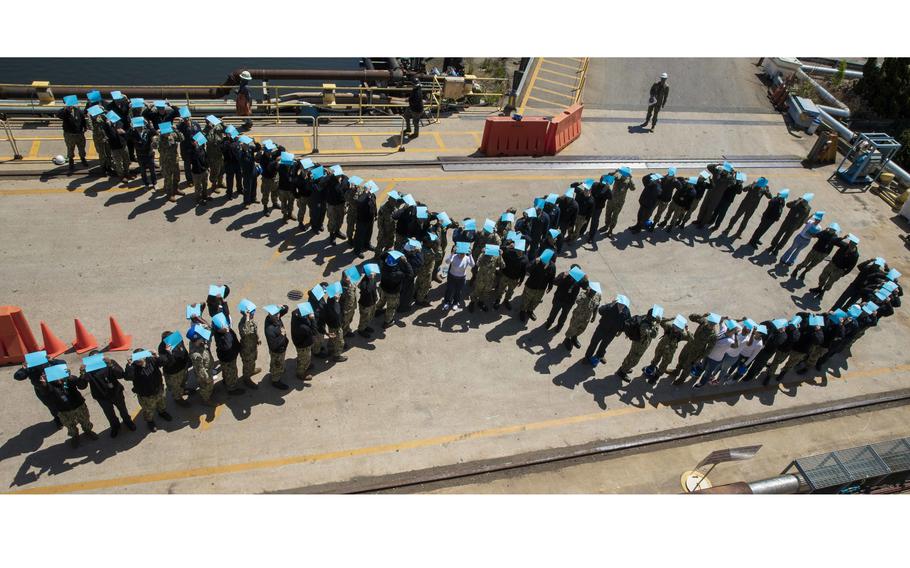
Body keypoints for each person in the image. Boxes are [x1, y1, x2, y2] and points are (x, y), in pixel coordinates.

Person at [78, 352, 135, 438]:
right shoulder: (89, 370)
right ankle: (115, 426)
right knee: (109, 414)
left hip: (116, 393)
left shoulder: (109, 363)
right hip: (102, 397)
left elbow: (120, 375)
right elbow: (82, 386)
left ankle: (128, 422)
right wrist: (82, 374)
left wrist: (111, 365)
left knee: (123, 410)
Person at [43, 365, 98, 447]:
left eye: (59, 375)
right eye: (55, 377)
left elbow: (82, 386)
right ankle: (75, 436)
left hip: (78, 406)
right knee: (70, 425)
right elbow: (45, 393)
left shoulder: (69, 380)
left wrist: (81, 375)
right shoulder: (49, 386)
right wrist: (43, 385)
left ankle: (88, 431)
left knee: (85, 420)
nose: (58, 379)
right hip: (64, 410)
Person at [124, 349, 173, 432]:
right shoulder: (133, 367)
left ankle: (162, 412)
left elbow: (165, 362)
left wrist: (156, 355)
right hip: (146, 395)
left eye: (141, 358)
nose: (139, 361)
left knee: (162, 403)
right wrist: (129, 365)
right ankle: (150, 421)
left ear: (144, 357)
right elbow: (128, 377)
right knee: (148, 410)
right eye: (137, 360)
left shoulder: (151, 360)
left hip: (158, 389)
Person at [667, 313, 720, 384]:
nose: (709, 324)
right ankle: (676, 372)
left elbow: (709, 349)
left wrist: (700, 358)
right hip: (689, 345)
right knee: (681, 358)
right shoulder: (704, 322)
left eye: (711, 323)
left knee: (688, 366)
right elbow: (691, 317)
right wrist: (701, 315)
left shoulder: (713, 335)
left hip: (696, 352)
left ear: (715, 324)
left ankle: (681, 379)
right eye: (709, 321)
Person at [14, 351, 63, 429]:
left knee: (62, 403)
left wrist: (53, 360)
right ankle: (58, 419)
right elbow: (17, 376)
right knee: (52, 407)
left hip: (55, 387)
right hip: (43, 392)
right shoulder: (30, 368)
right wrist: (24, 369)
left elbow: (62, 363)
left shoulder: (48, 362)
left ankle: (66, 416)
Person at [616, 305, 662, 381]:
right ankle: (622, 372)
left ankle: (624, 368)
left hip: (638, 343)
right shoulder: (645, 326)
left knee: (631, 356)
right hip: (639, 346)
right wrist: (657, 324)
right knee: (634, 360)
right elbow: (653, 335)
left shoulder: (646, 318)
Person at [584, 294, 632, 366]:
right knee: (594, 343)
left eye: (623, 305)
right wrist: (610, 306)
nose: (621, 306)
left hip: (612, 332)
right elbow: (600, 311)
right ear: (618, 302)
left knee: (604, 345)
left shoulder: (626, 311)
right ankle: (587, 357)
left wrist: (621, 331)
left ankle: (599, 355)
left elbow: (627, 322)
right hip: (602, 328)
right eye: (620, 304)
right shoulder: (611, 306)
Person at [809, 234, 860, 300]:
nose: (850, 245)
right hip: (832, 264)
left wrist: (844, 273)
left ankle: (823, 292)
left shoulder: (855, 255)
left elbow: (852, 266)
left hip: (840, 269)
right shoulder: (844, 245)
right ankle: (819, 288)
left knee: (830, 282)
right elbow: (834, 241)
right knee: (823, 276)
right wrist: (842, 238)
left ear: (855, 245)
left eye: (852, 244)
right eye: (850, 243)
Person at [644, 314, 692, 382]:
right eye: (675, 326)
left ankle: (657, 376)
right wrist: (671, 318)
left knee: (664, 364)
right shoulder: (669, 327)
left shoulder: (681, 335)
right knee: (656, 358)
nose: (675, 329)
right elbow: (662, 322)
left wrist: (687, 329)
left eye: (678, 328)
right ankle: (652, 366)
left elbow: (691, 339)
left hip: (669, 353)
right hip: (661, 347)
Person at [693, 321, 738, 387]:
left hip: (715, 359)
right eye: (729, 328)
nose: (728, 330)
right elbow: (721, 322)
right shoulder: (724, 330)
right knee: (702, 367)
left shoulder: (730, 340)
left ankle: (701, 383)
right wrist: (724, 319)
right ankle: (697, 375)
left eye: (731, 329)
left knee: (707, 372)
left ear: (733, 331)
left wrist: (736, 336)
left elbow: (736, 346)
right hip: (708, 354)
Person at [376, 251, 414, 327]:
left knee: (382, 300)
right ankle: (388, 322)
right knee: (391, 307)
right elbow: (410, 274)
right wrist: (406, 262)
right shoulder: (397, 274)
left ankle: (377, 310)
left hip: (383, 288)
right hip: (393, 293)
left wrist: (388, 253)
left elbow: (382, 256)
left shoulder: (383, 266)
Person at [562, 281, 602, 351]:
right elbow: (577, 301)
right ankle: (567, 339)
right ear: (590, 289)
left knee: (581, 329)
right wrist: (587, 294)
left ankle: (574, 337)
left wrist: (594, 316)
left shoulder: (598, 296)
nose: (594, 292)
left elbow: (596, 306)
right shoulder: (583, 294)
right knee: (572, 328)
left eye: (595, 291)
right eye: (592, 291)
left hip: (586, 318)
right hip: (577, 316)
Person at [545, 265, 586, 332]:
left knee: (564, 315)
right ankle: (549, 322)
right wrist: (563, 277)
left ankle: (559, 326)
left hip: (569, 302)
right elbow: (555, 282)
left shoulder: (579, 279)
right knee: (553, 312)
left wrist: (586, 279)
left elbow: (585, 287)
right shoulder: (564, 274)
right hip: (559, 298)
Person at [519, 249, 557, 322]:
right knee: (526, 300)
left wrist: (550, 286)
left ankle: (530, 311)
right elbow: (527, 269)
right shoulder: (536, 261)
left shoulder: (552, 266)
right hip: (531, 286)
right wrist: (535, 264)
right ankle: (522, 311)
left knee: (536, 301)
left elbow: (552, 277)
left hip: (541, 288)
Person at [212, 314, 245, 395]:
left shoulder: (223, 331)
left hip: (228, 356)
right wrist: (226, 333)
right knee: (231, 372)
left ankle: (226, 380)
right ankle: (232, 389)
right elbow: (227, 346)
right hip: (228, 358)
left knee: (226, 370)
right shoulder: (222, 336)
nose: (227, 326)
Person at [694, 162, 734, 228]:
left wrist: (732, 173)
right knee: (703, 207)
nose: (724, 171)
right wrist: (717, 165)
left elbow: (733, 182)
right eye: (724, 170)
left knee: (710, 210)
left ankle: (702, 224)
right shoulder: (717, 172)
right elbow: (709, 166)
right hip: (709, 193)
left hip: (717, 196)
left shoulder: (729, 178)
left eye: (726, 171)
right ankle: (699, 220)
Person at [157, 331, 192, 406]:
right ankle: (178, 398)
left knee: (183, 381)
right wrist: (169, 353)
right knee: (175, 387)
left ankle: (183, 390)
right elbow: (167, 363)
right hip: (173, 373)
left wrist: (188, 361)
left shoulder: (177, 339)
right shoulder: (162, 348)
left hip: (183, 367)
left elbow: (184, 350)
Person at [187, 324, 218, 407]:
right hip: (205, 374)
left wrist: (204, 326)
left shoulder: (197, 342)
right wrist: (207, 378)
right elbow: (200, 370)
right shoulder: (196, 355)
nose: (204, 337)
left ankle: (209, 390)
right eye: (201, 336)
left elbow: (209, 331)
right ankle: (206, 400)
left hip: (209, 368)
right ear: (197, 339)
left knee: (209, 386)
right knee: (205, 386)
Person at [494, 239, 529, 310]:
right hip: (505, 276)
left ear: (523, 250)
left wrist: (521, 280)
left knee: (510, 291)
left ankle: (506, 300)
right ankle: (498, 300)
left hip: (515, 279)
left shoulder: (525, 259)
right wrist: (507, 247)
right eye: (517, 249)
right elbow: (499, 249)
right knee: (501, 289)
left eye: (520, 250)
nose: (518, 251)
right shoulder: (509, 253)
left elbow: (523, 271)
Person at [57, 95, 88, 174]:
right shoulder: (64, 112)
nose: (71, 106)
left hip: (79, 134)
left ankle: (83, 158)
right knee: (70, 148)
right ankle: (71, 160)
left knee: (82, 147)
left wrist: (85, 127)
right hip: (69, 134)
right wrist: (66, 109)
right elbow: (58, 115)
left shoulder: (78, 111)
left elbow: (83, 119)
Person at [469, 243, 503, 312]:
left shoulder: (497, 256)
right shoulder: (483, 255)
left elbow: (503, 266)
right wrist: (483, 254)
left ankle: (481, 302)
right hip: (481, 278)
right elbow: (477, 264)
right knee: (476, 291)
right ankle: (472, 303)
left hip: (490, 280)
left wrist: (501, 255)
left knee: (486, 293)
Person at [264, 304, 291, 390]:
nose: (278, 316)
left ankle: (278, 370)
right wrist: (282, 335)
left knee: (279, 363)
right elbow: (274, 345)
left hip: (281, 347)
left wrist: (284, 307)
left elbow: (285, 310)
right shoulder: (269, 329)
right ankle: (275, 380)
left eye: (278, 313)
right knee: (277, 364)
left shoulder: (274, 317)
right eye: (276, 314)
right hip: (277, 351)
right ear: (270, 315)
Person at [155, 121, 183, 201]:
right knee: (168, 179)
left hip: (174, 160)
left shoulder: (173, 135)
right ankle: (169, 194)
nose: (167, 134)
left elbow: (182, 139)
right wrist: (157, 135)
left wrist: (176, 130)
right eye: (165, 132)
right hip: (165, 162)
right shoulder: (159, 138)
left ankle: (176, 189)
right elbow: (154, 146)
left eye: (168, 132)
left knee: (177, 176)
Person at [442, 243, 475, 311]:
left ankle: (455, 303)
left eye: (464, 253)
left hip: (461, 278)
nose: (462, 254)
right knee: (449, 290)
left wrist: (471, 255)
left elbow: (473, 265)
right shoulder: (454, 256)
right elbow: (447, 261)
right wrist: (452, 253)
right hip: (452, 277)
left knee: (458, 291)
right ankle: (446, 302)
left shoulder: (467, 258)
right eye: (461, 253)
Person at [604, 167, 635, 238]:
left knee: (614, 217)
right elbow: (609, 175)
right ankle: (606, 226)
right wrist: (615, 172)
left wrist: (630, 179)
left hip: (619, 202)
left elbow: (633, 188)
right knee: (607, 214)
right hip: (611, 199)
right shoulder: (617, 176)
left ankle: (610, 230)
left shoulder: (628, 180)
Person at [290, 303, 318, 380]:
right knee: (304, 358)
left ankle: (307, 365)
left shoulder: (295, 314)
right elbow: (314, 331)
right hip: (303, 345)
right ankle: (301, 373)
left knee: (303, 357)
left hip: (299, 340)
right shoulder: (302, 327)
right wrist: (312, 319)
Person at [237, 301, 261, 389]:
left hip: (252, 346)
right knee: (247, 363)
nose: (253, 314)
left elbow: (254, 330)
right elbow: (247, 332)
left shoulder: (250, 320)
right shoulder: (243, 323)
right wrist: (247, 318)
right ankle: (246, 378)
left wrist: (257, 338)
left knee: (253, 360)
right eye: (252, 313)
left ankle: (251, 370)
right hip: (247, 349)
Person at [102, 111, 130, 183]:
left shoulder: (120, 123)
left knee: (127, 160)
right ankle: (121, 175)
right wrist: (109, 126)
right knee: (118, 162)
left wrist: (124, 132)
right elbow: (110, 135)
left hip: (123, 145)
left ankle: (127, 173)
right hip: (114, 147)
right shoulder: (106, 126)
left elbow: (125, 133)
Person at [322, 284, 348, 363]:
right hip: (336, 326)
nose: (340, 295)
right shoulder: (334, 304)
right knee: (340, 341)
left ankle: (330, 349)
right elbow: (336, 314)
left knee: (332, 338)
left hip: (331, 325)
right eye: (338, 294)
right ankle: (337, 356)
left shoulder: (329, 301)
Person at [130, 117, 157, 191]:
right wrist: (131, 127)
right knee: (143, 171)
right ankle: (146, 184)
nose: (139, 127)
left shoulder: (147, 132)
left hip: (149, 154)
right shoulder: (133, 133)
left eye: (140, 126)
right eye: (137, 126)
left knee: (152, 170)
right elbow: (127, 136)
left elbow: (154, 132)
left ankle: (154, 183)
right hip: (140, 155)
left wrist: (148, 124)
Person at [177, 111, 201, 187]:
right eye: (184, 118)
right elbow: (177, 136)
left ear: (190, 116)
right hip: (186, 149)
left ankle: (196, 178)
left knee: (196, 164)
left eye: (187, 117)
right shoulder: (180, 126)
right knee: (187, 166)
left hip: (195, 148)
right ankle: (189, 180)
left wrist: (199, 144)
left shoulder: (196, 124)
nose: (186, 119)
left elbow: (199, 134)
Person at [587, 175, 613, 245]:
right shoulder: (595, 185)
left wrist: (608, 189)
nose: (601, 182)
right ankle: (583, 232)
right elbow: (593, 193)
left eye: (602, 181)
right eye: (601, 180)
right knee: (586, 219)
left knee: (594, 222)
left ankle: (591, 236)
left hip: (598, 208)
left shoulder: (606, 189)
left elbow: (610, 197)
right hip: (591, 205)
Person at [325, 167, 349, 243]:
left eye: (339, 175)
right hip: (332, 205)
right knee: (332, 220)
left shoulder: (345, 179)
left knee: (340, 219)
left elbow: (347, 190)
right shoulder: (329, 180)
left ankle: (337, 231)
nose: (337, 176)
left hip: (341, 204)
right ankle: (332, 234)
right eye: (336, 175)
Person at [357, 264, 381, 337]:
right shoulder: (364, 282)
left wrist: (375, 298)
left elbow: (373, 289)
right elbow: (367, 291)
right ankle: (361, 330)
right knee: (364, 318)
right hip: (365, 304)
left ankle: (366, 326)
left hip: (372, 302)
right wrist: (371, 279)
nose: (375, 273)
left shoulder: (372, 279)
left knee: (370, 316)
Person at [204, 115, 226, 189]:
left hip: (220, 152)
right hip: (212, 154)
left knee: (222, 168)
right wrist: (210, 129)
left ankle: (220, 182)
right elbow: (209, 140)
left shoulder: (218, 126)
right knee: (214, 170)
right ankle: (214, 184)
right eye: (208, 121)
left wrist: (222, 123)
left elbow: (226, 130)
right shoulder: (206, 130)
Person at [189, 134, 210, 206]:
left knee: (205, 184)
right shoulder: (191, 150)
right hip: (197, 172)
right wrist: (195, 148)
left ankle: (205, 196)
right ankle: (198, 199)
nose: (196, 142)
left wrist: (207, 167)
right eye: (194, 141)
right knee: (198, 187)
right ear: (192, 142)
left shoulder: (201, 147)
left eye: (196, 141)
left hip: (204, 170)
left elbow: (206, 157)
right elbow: (192, 160)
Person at [259, 143, 280, 215]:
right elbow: (268, 168)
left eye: (271, 150)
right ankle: (265, 207)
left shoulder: (272, 155)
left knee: (275, 192)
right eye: (269, 150)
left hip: (274, 177)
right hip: (267, 179)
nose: (271, 151)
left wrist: (278, 146)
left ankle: (275, 203)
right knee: (266, 193)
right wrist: (276, 161)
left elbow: (282, 151)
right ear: (265, 151)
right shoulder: (263, 158)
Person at [222, 131, 243, 199]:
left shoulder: (237, 142)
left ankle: (239, 189)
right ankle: (229, 193)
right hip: (229, 164)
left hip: (238, 163)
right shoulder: (226, 142)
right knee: (230, 180)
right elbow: (223, 150)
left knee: (239, 178)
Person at [239, 138, 260, 208]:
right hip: (247, 173)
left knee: (254, 186)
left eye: (247, 144)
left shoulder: (250, 149)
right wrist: (246, 153)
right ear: (243, 146)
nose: (247, 145)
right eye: (245, 145)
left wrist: (256, 142)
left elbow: (258, 148)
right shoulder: (241, 153)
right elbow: (244, 162)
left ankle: (253, 198)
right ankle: (246, 202)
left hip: (253, 171)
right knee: (247, 188)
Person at [341, 271, 360, 335]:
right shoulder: (342, 288)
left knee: (350, 320)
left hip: (352, 307)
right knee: (344, 323)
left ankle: (347, 330)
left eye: (350, 277)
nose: (349, 279)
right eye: (347, 277)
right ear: (343, 278)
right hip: (346, 310)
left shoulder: (352, 283)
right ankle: (343, 335)